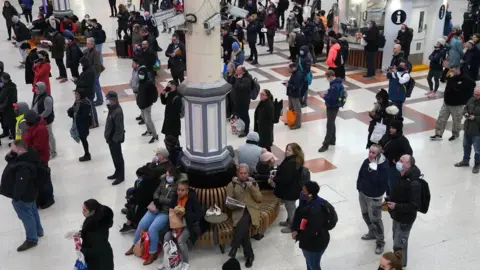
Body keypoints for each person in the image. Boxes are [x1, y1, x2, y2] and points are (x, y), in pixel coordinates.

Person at [125, 166, 185, 265]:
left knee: (153, 229)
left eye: (169, 175)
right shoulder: (163, 182)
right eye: (166, 174)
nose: (167, 176)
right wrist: (158, 198)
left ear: (174, 176)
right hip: (155, 208)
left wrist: (160, 199)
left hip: (165, 211)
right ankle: (134, 245)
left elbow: (172, 201)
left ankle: (152, 253)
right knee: (142, 224)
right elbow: (156, 193)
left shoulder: (177, 187)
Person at [0, 140, 43, 251]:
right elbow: (10, 160)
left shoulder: (24, 166)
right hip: (31, 193)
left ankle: (32, 239)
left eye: (13, 149)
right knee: (33, 211)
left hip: (23, 196)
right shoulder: (26, 157)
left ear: (20, 150)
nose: (10, 151)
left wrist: (16, 198)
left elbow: (21, 184)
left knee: (26, 216)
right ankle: (38, 231)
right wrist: (11, 155)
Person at [386, 154, 422, 268]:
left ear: (408, 165)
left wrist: (396, 206)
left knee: (400, 244)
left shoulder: (414, 183)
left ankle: (399, 265)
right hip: (397, 215)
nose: (398, 162)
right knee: (397, 240)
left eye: (401, 161)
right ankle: (400, 262)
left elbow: (414, 206)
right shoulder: (402, 174)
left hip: (405, 219)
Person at [291, 181, 334, 270]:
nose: (301, 193)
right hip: (309, 241)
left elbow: (312, 230)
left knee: (313, 265)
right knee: (310, 263)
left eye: (303, 191)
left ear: (310, 194)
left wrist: (299, 235)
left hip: (314, 243)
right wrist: (295, 229)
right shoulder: (306, 201)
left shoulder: (317, 209)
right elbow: (299, 217)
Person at [226, 164, 263, 268]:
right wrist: (234, 204)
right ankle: (249, 255)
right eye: (241, 173)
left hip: (252, 211)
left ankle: (235, 246)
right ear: (237, 173)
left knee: (244, 220)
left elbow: (259, 198)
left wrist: (252, 188)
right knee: (244, 230)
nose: (243, 175)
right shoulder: (231, 185)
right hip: (238, 211)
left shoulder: (253, 183)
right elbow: (228, 202)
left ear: (248, 173)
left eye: (245, 173)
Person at [163, 179, 204, 265]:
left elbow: (199, 215)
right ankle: (167, 260)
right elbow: (170, 212)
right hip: (175, 225)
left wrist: (185, 213)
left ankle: (185, 262)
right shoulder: (175, 198)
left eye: (182, 190)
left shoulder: (192, 200)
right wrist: (173, 227)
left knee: (181, 241)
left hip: (188, 225)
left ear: (187, 191)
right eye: (178, 189)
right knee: (166, 238)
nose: (180, 192)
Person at [357, 144, 388, 254]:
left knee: (376, 219)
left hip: (374, 198)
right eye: (370, 151)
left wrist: (374, 168)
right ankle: (372, 232)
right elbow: (361, 174)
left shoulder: (383, 166)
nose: (370, 154)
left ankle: (380, 241)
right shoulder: (367, 161)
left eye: (373, 153)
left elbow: (380, 182)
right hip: (363, 194)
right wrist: (359, 188)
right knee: (365, 215)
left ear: (379, 154)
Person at [430, 66, 475, 141]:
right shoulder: (451, 77)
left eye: (454, 69)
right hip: (447, 102)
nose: (452, 71)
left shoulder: (466, 79)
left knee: (456, 120)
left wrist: (464, 99)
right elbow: (443, 78)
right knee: (441, 118)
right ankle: (438, 134)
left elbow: (471, 86)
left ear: (459, 69)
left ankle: (455, 134)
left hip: (457, 104)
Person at [23, 109, 54, 209]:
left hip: (40, 158)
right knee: (38, 180)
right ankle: (41, 198)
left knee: (44, 179)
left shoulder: (40, 129)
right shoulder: (32, 127)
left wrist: (26, 150)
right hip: (34, 157)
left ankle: (49, 198)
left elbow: (38, 146)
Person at [120, 165, 161, 233]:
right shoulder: (153, 179)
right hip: (148, 198)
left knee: (133, 205)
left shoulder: (145, 184)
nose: (138, 178)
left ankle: (130, 224)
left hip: (148, 202)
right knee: (130, 192)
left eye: (139, 177)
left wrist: (131, 200)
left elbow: (141, 198)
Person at [272, 143, 303, 233]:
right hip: (290, 189)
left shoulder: (292, 163)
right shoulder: (291, 160)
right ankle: (289, 221)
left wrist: (274, 178)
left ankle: (292, 226)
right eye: (286, 149)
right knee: (289, 207)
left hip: (290, 191)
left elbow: (285, 179)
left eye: (289, 150)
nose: (286, 151)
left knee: (291, 208)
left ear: (295, 152)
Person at [379, 120, 413, 196]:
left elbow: (409, 153)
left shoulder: (402, 140)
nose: (391, 129)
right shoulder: (387, 136)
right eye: (390, 127)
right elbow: (381, 143)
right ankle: (388, 200)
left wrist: (398, 159)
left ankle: (393, 203)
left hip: (393, 168)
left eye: (393, 128)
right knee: (386, 184)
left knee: (393, 186)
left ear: (398, 129)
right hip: (385, 164)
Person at [80, 199, 114, 270]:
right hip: (102, 258)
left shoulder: (95, 229)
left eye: (85, 210)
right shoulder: (97, 220)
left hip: (99, 262)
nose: (82, 212)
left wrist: (82, 251)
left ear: (92, 211)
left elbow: (96, 250)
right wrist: (81, 233)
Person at [318, 70, 345, 153]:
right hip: (333, 106)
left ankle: (326, 144)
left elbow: (332, 98)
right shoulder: (335, 84)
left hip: (333, 106)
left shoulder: (335, 86)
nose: (326, 79)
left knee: (329, 124)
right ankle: (333, 140)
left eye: (327, 77)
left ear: (330, 76)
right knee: (332, 122)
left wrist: (323, 96)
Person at [454, 88, 480, 173]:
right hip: (468, 128)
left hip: (477, 131)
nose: (475, 96)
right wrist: (465, 113)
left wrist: (475, 118)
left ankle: (477, 164)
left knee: (477, 150)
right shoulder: (471, 99)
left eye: (477, 95)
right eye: (474, 94)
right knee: (466, 145)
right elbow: (466, 108)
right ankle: (465, 161)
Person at [104, 91, 125, 185]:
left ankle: (121, 176)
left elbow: (119, 128)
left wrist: (115, 139)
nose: (106, 100)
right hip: (110, 138)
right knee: (114, 157)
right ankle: (117, 172)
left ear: (113, 100)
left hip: (115, 139)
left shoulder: (117, 111)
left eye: (108, 99)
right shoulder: (111, 108)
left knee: (118, 157)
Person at [67, 89, 94, 162]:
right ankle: (86, 153)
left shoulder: (85, 103)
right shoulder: (77, 102)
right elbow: (73, 110)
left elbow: (84, 115)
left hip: (83, 124)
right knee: (83, 139)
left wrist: (75, 113)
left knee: (83, 138)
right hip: (78, 123)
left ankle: (87, 154)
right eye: (75, 94)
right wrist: (71, 111)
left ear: (81, 95)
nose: (76, 96)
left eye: (77, 94)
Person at [32, 82, 56, 158]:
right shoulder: (37, 95)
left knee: (49, 135)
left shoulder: (47, 98)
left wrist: (39, 117)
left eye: (37, 88)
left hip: (46, 120)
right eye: (35, 88)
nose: (35, 90)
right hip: (39, 120)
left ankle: (53, 151)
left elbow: (48, 111)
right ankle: (47, 149)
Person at [137, 67, 159, 143]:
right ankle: (149, 131)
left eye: (142, 74)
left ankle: (155, 135)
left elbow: (154, 94)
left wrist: (151, 101)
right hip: (141, 104)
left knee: (148, 120)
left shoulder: (149, 83)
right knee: (143, 117)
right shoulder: (141, 82)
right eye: (139, 74)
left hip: (147, 105)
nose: (140, 75)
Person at [74, 56, 98, 127]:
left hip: (88, 92)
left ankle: (94, 123)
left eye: (82, 64)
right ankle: (90, 122)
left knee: (91, 107)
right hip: (85, 92)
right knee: (88, 108)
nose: (81, 65)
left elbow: (87, 83)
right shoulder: (87, 69)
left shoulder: (90, 71)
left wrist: (77, 82)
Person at [232, 66, 253, 137]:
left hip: (244, 101)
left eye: (237, 70)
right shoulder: (240, 76)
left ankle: (246, 130)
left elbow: (239, 87)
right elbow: (232, 83)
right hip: (239, 100)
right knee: (240, 115)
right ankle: (242, 127)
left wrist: (238, 79)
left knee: (245, 115)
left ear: (242, 71)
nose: (236, 71)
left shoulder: (247, 78)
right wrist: (235, 77)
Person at [83, 37, 103, 106]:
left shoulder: (96, 52)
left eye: (88, 43)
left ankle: (100, 100)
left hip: (95, 72)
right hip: (92, 72)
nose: (86, 45)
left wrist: (90, 70)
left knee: (96, 86)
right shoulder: (88, 50)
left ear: (92, 44)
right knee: (96, 85)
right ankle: (99, 99)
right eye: (86, 43)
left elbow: (97, 64)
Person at [0, 73, 18, 140]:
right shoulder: (5, 85)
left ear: (5, 80)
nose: (1, 80)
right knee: (7, 123)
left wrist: (14, 107)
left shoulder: (10, 88)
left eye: (2, 79)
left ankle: (15, 140)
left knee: (12, 125)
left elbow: (14, 100)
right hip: (6, 109)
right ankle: (8, 134)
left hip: (9, 109)